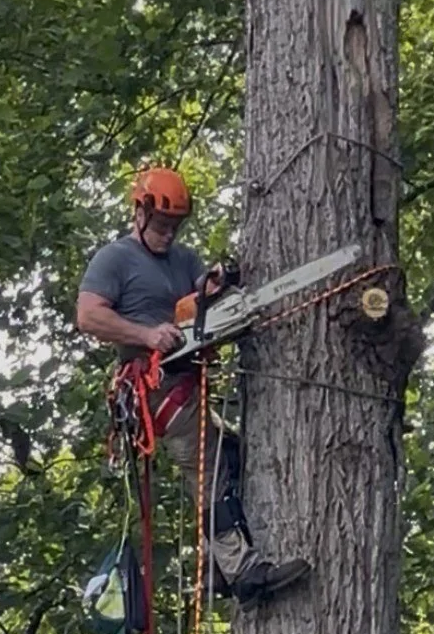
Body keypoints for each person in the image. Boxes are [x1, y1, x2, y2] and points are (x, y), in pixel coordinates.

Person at [77, 166, 310, 602]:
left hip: (189, 375)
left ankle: (216, 565)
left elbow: (194, 298)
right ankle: (242, 570)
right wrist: (146, 335)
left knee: (232, 453)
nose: (168, 234)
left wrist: (214, 286)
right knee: (210, 466)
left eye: (175, 226)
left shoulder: (183, 260)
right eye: (162, 225)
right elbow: (89, 315)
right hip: (156, 387)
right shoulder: (115, 258)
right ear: (141, 213)